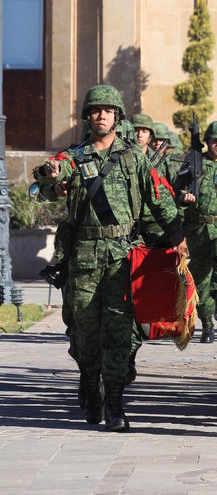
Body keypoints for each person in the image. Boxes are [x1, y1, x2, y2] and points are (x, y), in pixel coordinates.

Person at [31, 84, 185, 431]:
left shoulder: (134, 158)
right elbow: (50, 171)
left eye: (107, 110)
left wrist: (178, 237)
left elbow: (159, 199)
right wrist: (49, 175)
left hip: (121, 259)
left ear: (117, 117)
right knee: (85, 335)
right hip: (84, 259)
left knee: (119, 333)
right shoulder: (75, 156)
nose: (101, 115)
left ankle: (115, 405)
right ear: (88, 117)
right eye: (95, 111)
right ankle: (89, 382)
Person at [178, 120, 217, 343]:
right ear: (207, 143)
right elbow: (178, 191)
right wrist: (184, 198)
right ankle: (207, 325)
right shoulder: (194, 165)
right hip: (198, 228)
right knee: (200, 280)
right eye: (214, 141)